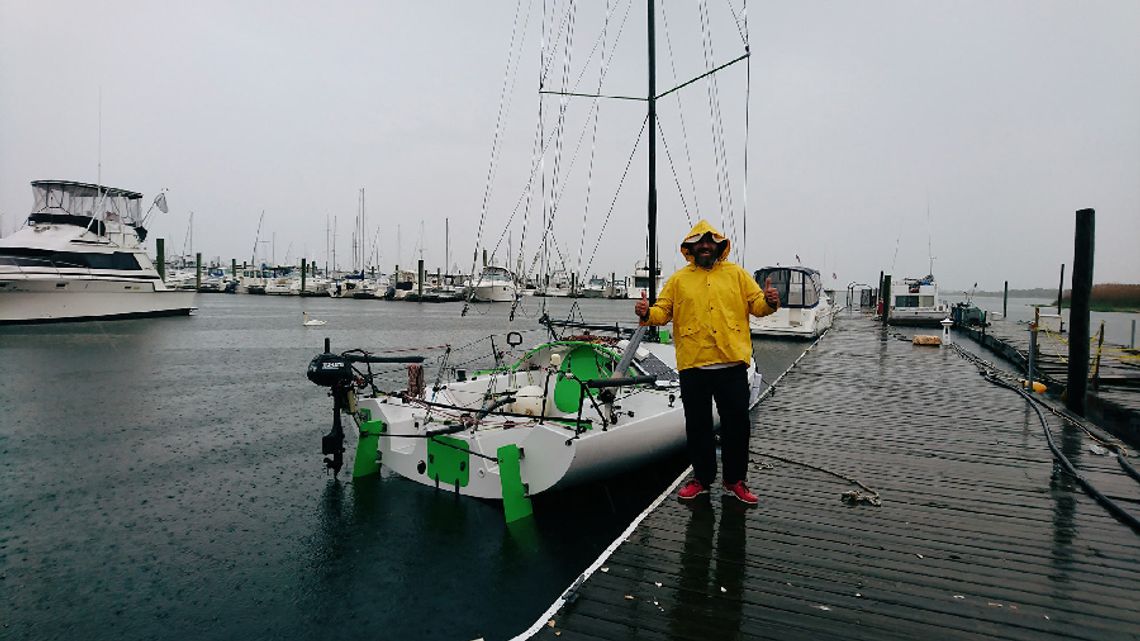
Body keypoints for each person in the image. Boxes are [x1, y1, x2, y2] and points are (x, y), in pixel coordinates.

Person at [634, 219, 780, 505]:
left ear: (718, 246)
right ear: (690, 248)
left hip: (732, 365)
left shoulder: (737, 275)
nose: (704, 246)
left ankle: (735, 480)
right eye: (698, 242)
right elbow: (662, 312)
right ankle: (701, 479)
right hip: (694, 366)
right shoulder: (678, 280)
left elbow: (757, 306)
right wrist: (646, 312)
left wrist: (771, 301)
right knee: (698, 427)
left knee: (737, 427)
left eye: (709, 242)